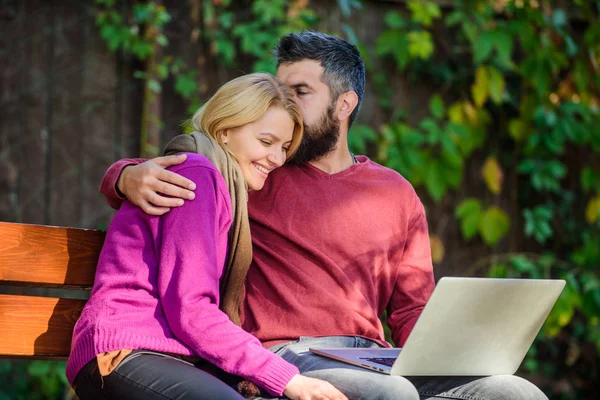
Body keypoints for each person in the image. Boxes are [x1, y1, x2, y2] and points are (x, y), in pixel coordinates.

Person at [100, 32, 549, 400]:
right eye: (281, 90)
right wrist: (123, 177)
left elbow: (412, 308)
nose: (285, 105)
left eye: (300, 92)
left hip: (376, 356)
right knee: (391, 397)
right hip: (290, 354)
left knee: (513, 392)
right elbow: (186, 169)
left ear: (344, 105)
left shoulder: (396, 193)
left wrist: (449, 361)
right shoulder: (255, 174)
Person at [67, 72, 348, 400]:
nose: (277, 158)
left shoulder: (226, 187)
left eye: (284, 147)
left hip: (172, 357)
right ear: (225, 131)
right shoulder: (197, 176)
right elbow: (191, 309)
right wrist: (289, 379)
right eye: (266, 141)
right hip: (125, 352)